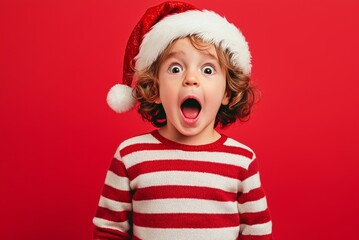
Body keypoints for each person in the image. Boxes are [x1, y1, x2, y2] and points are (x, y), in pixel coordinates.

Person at [93, 1, 273, 239]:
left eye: (207, 70)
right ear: (155, 89)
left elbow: (257, 232)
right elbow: (109, 230)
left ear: (227, 93)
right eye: (175, 69)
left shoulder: (242, 160)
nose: (190, 78)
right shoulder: (130, 155)